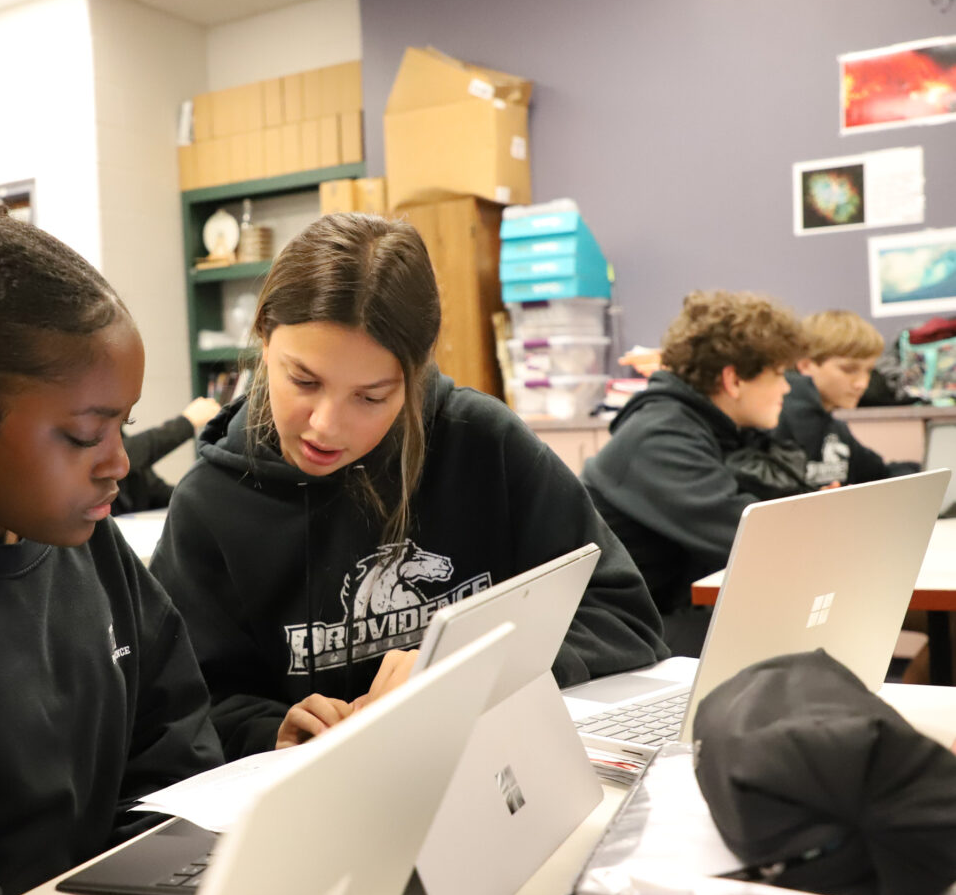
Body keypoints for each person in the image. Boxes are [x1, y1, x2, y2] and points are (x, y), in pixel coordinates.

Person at [148, 213, 667, 761]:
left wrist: (472, 671)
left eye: (370, 397)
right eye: (303, 380)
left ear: (413, 377)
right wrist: (268, 730)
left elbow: (624, 617)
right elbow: (180, 702)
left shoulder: (484, 443)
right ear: (262, 340)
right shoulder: (211, 503)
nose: (326, 425)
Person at [0, 183, 223, 895]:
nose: (119, 463)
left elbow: (174, 751)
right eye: (83, 434)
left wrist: (137, 892)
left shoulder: (93, 550)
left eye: (123, 426)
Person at [581, 290, 806, 655]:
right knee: (799, 637)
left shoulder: (712, 427)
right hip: (621, 629)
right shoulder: (660, 436)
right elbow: (752, 537)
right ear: (733, 380)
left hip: (669, 609)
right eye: (779, 374)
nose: (786, 387)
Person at [774, 309, 920, 486]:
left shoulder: (834, 426)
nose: (862, 384)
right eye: (849, 370)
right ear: (806, 365)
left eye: (868, 371)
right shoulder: (773, 422)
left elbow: (879, 473)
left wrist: (928, 469)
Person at [116, 396, 222, 513]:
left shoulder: (117, 433)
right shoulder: (102, 441)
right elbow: (123, 454)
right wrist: (187, 421)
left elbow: (155, 490)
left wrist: (203, 498)